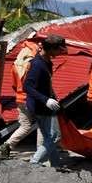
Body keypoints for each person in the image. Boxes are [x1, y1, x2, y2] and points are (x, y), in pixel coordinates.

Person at [4, 34, 68, 165]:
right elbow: (27, 86)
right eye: (58, 49)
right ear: (50, 49)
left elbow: (46, 85)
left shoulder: (47, 62)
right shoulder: (37, 64)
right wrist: (46, 100)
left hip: (43, 104)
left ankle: (56, 164)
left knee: (47, 137)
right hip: (40, 106)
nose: (60, 52)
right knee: (55, 137)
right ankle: (34, 163)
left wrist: (53, 98)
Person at [0, 41, 40, 158]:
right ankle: (41, 152)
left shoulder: (15, 65)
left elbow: (14, 85)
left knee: (25, 125)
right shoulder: (32, 65)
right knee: (42, 124)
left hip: (20, 99)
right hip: (31, 99)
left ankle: (7, 145)